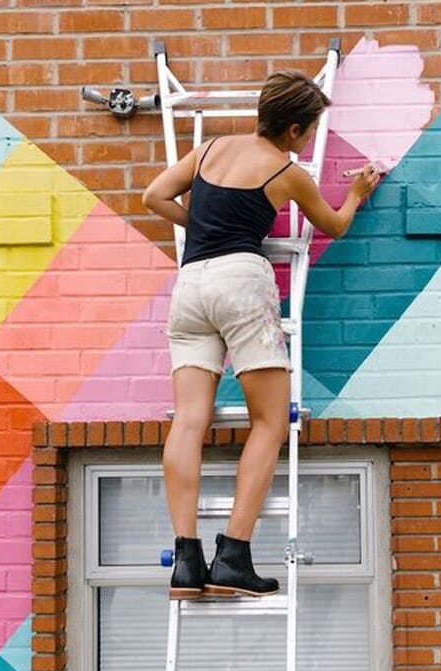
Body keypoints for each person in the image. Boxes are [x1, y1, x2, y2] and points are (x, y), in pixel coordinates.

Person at [142, 70, 380, 599]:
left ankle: (185, 560)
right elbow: (334, 226)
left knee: (188, 421)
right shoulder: (286, 170)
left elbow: (153, 195)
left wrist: (198, 226)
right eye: (311, 131)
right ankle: (233, 556)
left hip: (191, 284)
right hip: (241, 284)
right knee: (270, 421)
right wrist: (357, 193)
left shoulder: (209, 150)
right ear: (295, 130)